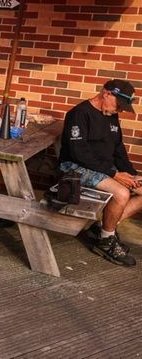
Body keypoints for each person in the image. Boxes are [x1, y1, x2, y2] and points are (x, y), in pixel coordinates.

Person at [59, 79, 140, 267]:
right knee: (121, 193)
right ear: (107, 93)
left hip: (104, 169)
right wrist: (114, 174)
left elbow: (118, 150)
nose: (120, 110)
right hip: (74, 167)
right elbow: (79, 153)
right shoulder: (79, 114)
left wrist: (132, 175)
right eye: (119, 105)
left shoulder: (111, 116)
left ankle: (101, 228)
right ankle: (105, 240)